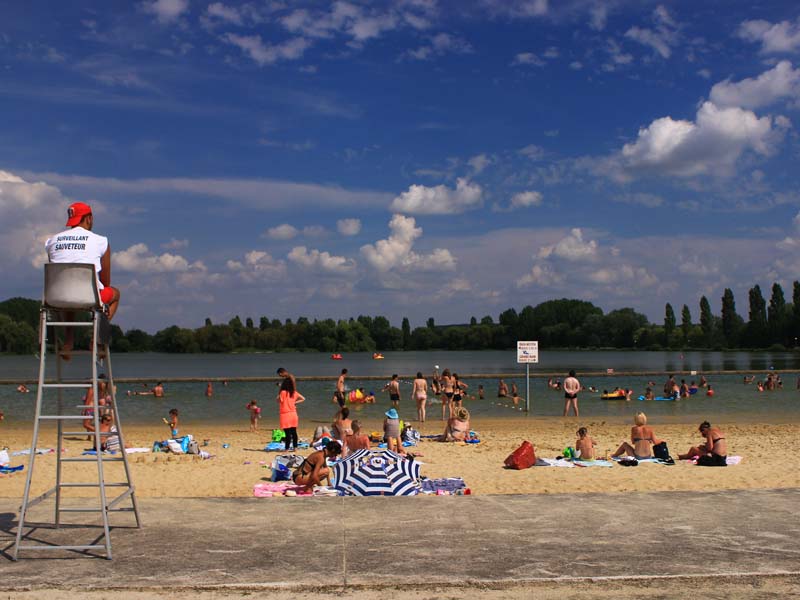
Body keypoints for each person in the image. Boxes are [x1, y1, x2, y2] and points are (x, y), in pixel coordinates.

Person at [45, 202, 121, 358]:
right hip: (90, 298)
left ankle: (68, 342)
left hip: (56, 299)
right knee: (115, 294)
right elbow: (105, 281)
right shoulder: (101, 241)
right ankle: (97, 339)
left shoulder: (52, 241)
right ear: (89, 218)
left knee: (68, 294)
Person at [278, 376, 305, 451]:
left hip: (285, 414)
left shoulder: (283, 392)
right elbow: (303, 398)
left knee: (287, 434)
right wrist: (294, 402)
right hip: (293, 414)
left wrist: (280, 390)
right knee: (294, 432)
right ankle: (295, 448)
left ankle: (286, 449)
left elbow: (278, 400)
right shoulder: (294, 392)